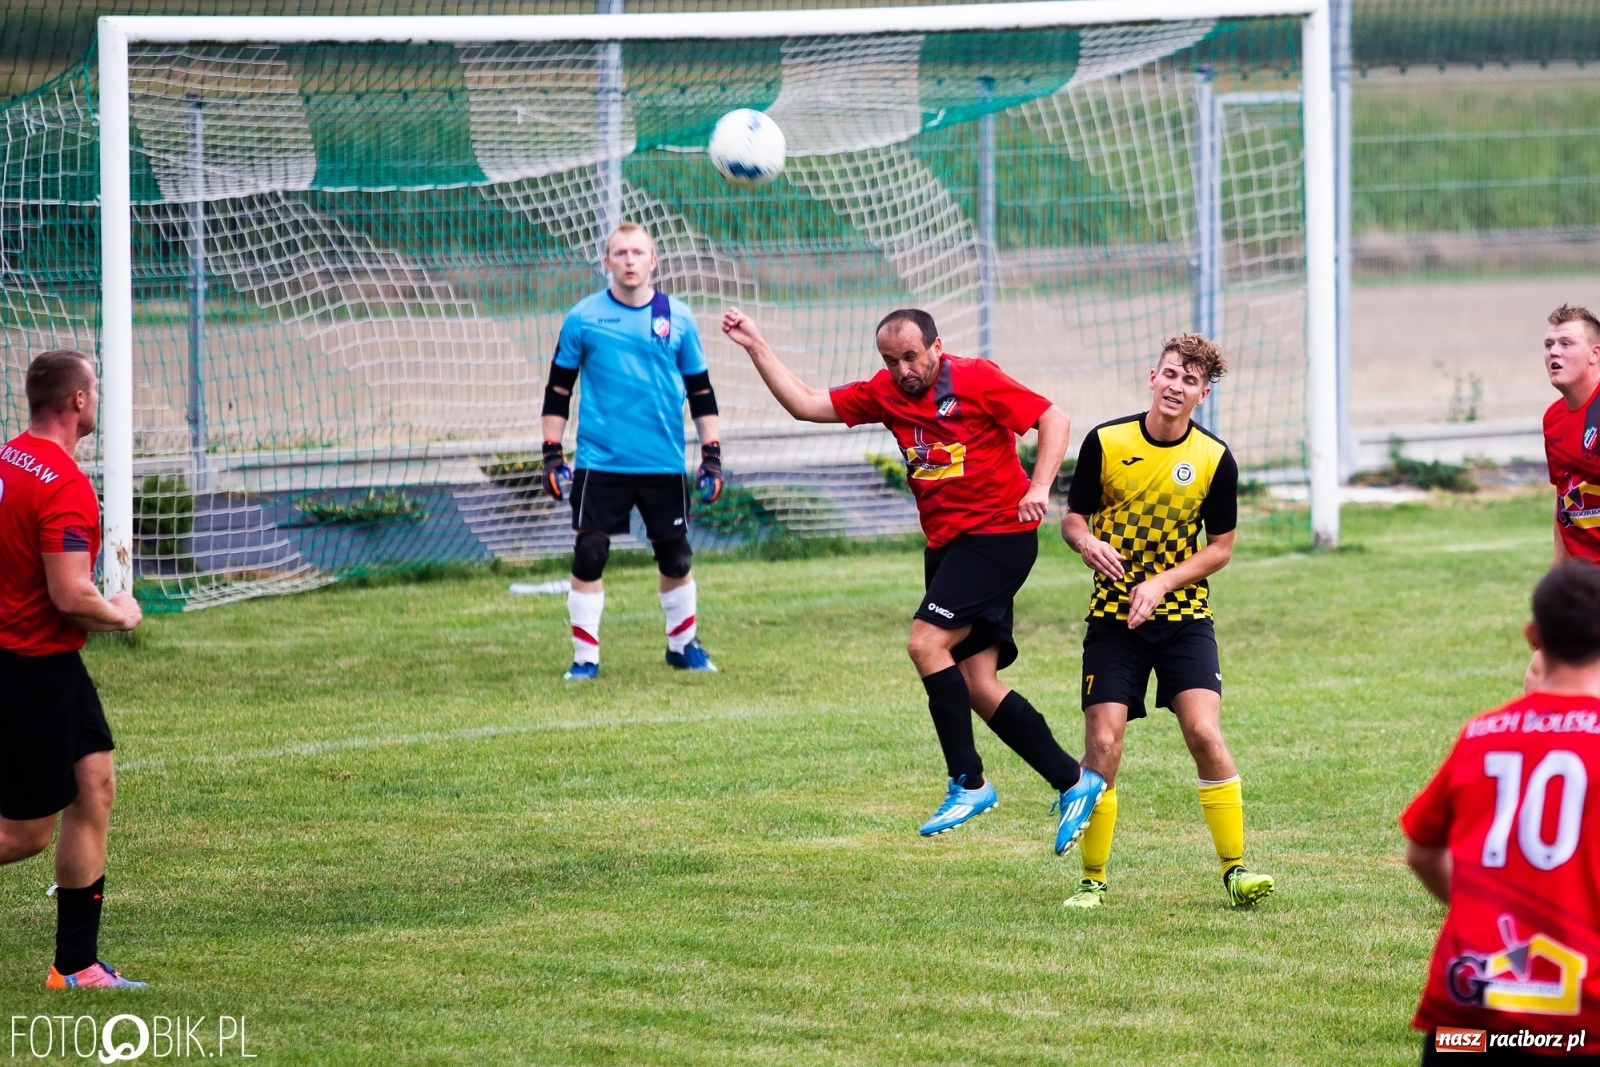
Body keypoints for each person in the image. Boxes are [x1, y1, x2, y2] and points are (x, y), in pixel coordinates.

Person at [721, 305, 1105, 854]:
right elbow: (807, 405)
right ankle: (1074, 780)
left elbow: (1054, 418)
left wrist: (1038, 488)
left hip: (998, 537)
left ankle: (969, 782)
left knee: (925, 642)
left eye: (910, 356)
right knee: (976, 683)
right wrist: (756, 345)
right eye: (890, 359)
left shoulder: (976, 378)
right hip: (949, 550)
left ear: (936, 347)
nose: (902, 369)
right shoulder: (884, 392)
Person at [1059, 333, 1274, 909]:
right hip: (1113, 617)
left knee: (1204, 732)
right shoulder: (1105, 443)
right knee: (1103, 742)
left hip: (1183, 616)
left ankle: (1236, 869)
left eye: (1191, 381)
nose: (1177, 387)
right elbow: (1072, 519)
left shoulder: (1213, 458)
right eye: (1171, 374)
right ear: (1152, 377)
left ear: (1202, 394)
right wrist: (1086, 544)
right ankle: (1093, 879)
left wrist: (1159, 583)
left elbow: (1221, 548)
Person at [1402, 561, 1600, 1065]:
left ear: (1532, 635)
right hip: (1578, 1028)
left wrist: (1474, 909)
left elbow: (1422, 851)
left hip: (1468, 1024)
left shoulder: (1481, 735)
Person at [0, 349, 146, 989]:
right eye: (96, 390)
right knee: (24, 833)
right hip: (31, 667)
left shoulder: (8, 456)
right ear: (79, 402)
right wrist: (121, 615)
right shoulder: (62, 484)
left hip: (44, 662)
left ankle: (76, 964)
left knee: (95, 782)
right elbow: (68, 596)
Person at [541, 222, 722, 680]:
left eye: (637, 252)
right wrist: (551, 453)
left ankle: (682, 647)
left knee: (677, 558)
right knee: (590, 554)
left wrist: (712, 454)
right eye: (619, 253)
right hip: (600, 462)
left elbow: (701, 391)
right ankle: (585, 660)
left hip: (662, 460)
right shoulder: (583, 317)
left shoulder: (676, 316)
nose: (628, 260)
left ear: (653, 260)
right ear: (606, 262)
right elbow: (558, 389)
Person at [1529, 305, 1600, 692]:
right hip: (1583, 582)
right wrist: (1556, 580)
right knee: (1541, 675)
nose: (1554, 352)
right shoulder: (1554, 419)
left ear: (1595, 354)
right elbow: (1565, 504)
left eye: (1566, 343)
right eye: (1549, 344)